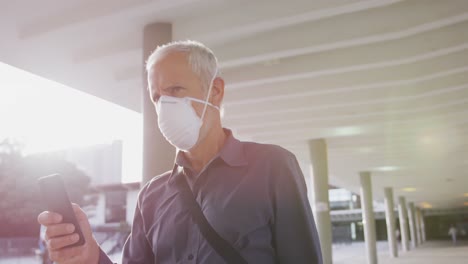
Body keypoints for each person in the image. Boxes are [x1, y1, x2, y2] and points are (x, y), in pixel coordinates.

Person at [37, 40, 323, 263]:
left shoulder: (272, 166)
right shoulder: (151, 196)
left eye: (175, 90)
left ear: (216, 91)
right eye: (157, 97)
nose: (164, 106)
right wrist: (90, 259)